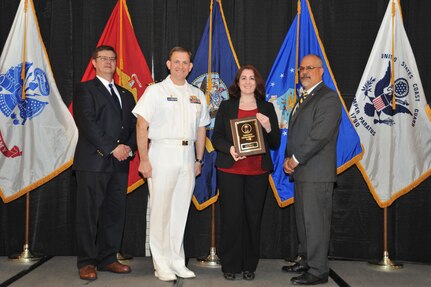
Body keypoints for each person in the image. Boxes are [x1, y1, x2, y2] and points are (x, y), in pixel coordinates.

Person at [132, 46, 210, 282]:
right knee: (160, 211)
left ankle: (177, 260)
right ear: (168, 64)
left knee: (180, 211)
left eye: (185, 63)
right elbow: (141, 126)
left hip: (187, 155)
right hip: (162, 153)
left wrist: (199, 160)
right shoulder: (155, 91)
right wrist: (144, 160)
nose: (181, 67)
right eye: (176, 62)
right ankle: (161, 263)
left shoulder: (197, 94)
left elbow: (201, 128)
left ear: (191, 67)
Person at [73, 45, 136, 280]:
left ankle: (108, 258)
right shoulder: (85, 90)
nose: (108, 62)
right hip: (93, 163)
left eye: (112, 58)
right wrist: (113, 148)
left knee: (114, 213)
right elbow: (88, 124)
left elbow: (133, 126)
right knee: (88, 215)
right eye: (103, 58)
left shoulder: (126, 94)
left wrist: (129, 147)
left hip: (120, 164)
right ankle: (87, 262)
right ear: (94, 63)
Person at [212, 65, 280, 281]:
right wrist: (230, 149)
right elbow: (217, 138)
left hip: (257, 171)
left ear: (257, 83)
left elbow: (275, 142)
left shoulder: (267, 108)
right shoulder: (226, 105)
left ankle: (249, 265)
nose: (248, 82)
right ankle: (230, 264)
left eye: (252, 78)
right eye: (244, 78)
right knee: (231, 218)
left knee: (253, 218)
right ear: (237, 82)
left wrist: (269, 127)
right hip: (230, 169)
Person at [282, 54, 341, 285]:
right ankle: (306, 259)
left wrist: (294, 159)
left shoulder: (328, 98)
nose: (304, 72)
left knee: (315, 222)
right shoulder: (305, 97)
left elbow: (319, 136)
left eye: (310, 68)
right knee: (304, 221)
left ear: (321, 70)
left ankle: (318, 270)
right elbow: (298, 133)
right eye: (301, 68)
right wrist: (290, 159)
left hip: (316, 173)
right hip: (303, 171)